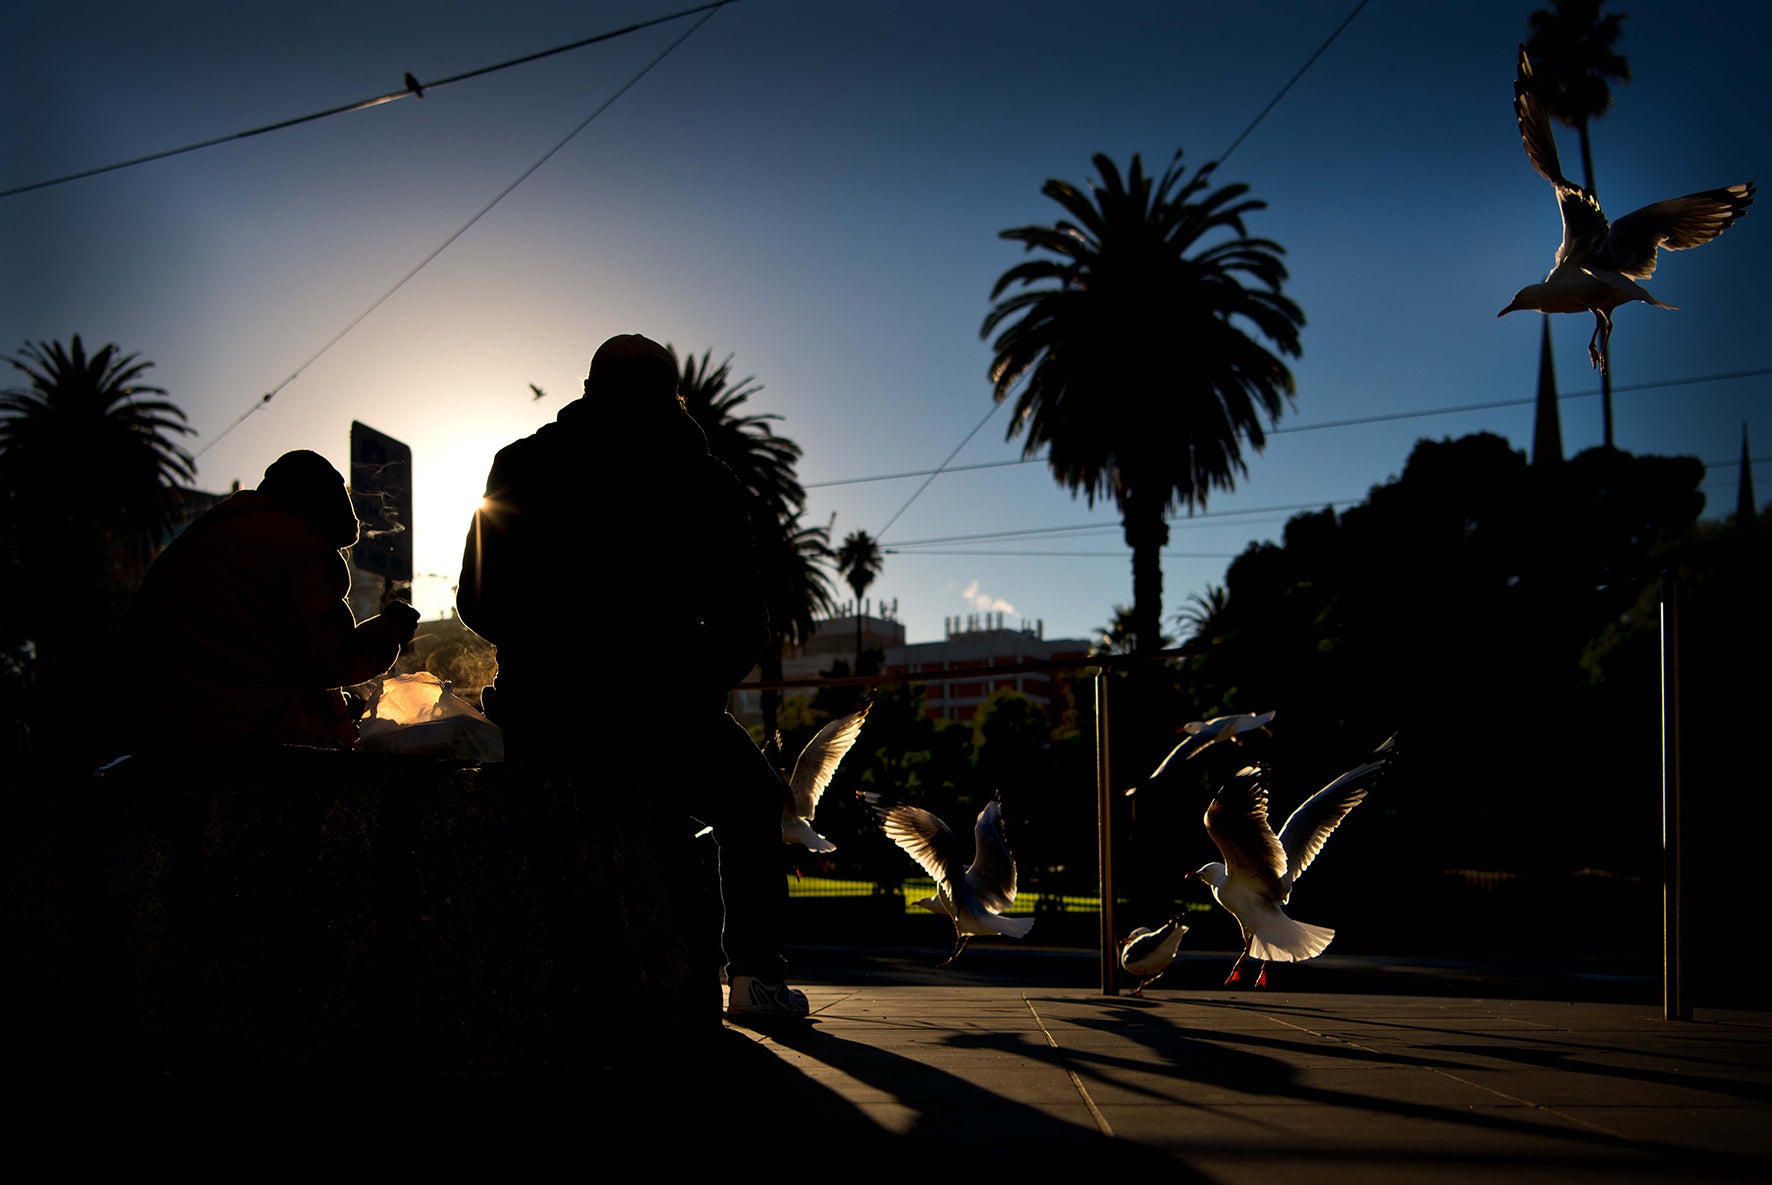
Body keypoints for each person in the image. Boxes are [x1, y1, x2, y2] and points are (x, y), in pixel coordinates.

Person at [457, 332, 807, 1021]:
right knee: (754, 803)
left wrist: (546, 656)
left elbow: (475, 597)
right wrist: (691, 688)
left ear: (589, 388)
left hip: (543, 712)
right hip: (665, 714)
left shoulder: (521, 463)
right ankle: (757, 978)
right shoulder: (703, 479)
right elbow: (743, 619)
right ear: (670, 391)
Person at [126, 449, 420, 752]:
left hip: (155, 728)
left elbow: (267, 655)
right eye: (336, 490)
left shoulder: (222, 531)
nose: (346, 503)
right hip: (230, 740)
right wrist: (390, 630)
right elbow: (331, 658)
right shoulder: (293, 542)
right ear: (315, 498)